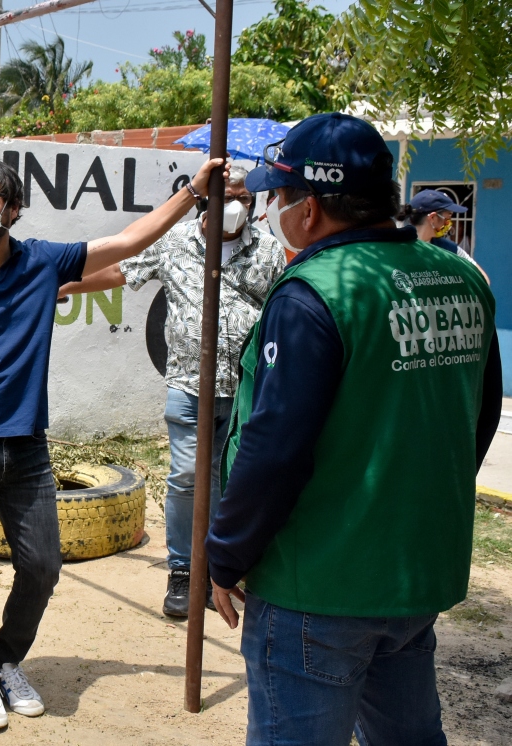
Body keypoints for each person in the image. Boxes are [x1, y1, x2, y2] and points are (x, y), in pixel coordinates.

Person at [0, 155, 226, 730]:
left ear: (13, 209)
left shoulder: (44, 263)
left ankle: (5, 659)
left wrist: (194, 194)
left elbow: (130, 241)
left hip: (26, 446)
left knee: (42, 566)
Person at [206, 113, 502, 745]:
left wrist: (225, 556)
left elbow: (273, 450)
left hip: (317, 585)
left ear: (308, 209)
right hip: (413, 573)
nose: (270, 211)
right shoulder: (462, 280)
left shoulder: (315, 293)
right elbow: (480, 414)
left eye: (278, 196)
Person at [58, 165, 285, 618]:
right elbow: (122, 270)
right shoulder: (176, 241)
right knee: (186, 477)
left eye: (245, 197)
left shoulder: (268, 251)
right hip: (188, 385)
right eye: (228, 197)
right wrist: (60, 284)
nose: (238, 205)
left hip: (244, 390)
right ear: (204, 201)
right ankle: (183, 570)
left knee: (234, 478)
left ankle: (221, 566)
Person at [398, 189, 490, 282]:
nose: (449, 223)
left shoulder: (450, 249)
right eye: (448, 217)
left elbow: (483, 279)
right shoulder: (397, 247)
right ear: (432, 218)